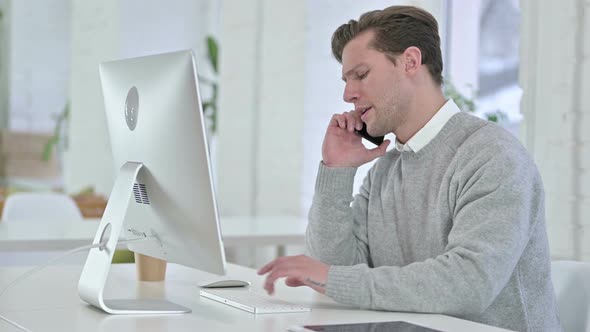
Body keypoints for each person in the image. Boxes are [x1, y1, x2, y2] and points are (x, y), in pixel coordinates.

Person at [257, 5, 561, 332]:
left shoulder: (492, 156)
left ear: (410, 62)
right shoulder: (386, 170)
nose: (348, 94)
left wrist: (331, 277)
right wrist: (336, 171)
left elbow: (468, 283)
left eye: (361, 74)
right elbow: (334, 271)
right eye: (346, 80)